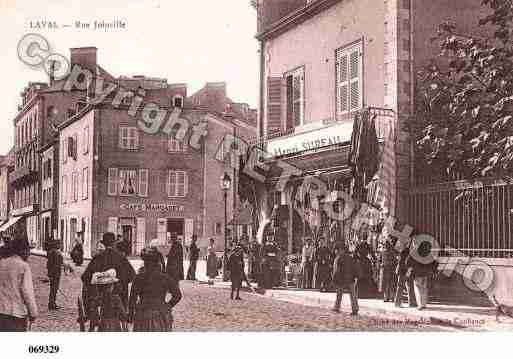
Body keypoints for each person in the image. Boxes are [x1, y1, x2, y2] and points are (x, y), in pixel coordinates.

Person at [129, 247, 182, 331]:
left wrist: (131, 315)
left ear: (145, 263)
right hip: (160, 313)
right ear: (158, 263)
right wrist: (168, 306)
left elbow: (132, 299)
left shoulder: (138, 278)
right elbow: (178, 295)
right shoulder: (165, 278)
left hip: (143, 314)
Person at [82, 233, 136, 311]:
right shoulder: (121, 258)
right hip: (118, 297)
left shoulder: (97, 257)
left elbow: (85, 277)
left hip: (99, 297)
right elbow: (131, 276)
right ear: (114, 243)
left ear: (103, 244)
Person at [0, 237, 38, 331]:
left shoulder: (2, 263)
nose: (29, 253)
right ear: (22, 251)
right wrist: (33, 313)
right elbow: (27, 292)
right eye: (28, 250)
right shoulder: (23, 266)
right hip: (16, 315)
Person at [407, 238, 437, 310]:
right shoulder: (426, 251)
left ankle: (420, 305)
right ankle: (424, 304)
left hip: (417, 274)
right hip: (425, 273)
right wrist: (431, 270)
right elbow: (434, 261)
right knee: (424, 289)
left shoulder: (414, 252)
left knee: (418, 289)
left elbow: (407, 261)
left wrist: (410, 268)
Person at [332, 244, 359, 316]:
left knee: (339, 294)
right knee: (353, 295)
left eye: (337, 250)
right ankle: (355, 309)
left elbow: (337, 271)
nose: (336, 251)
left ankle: (337, 307)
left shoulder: (338, 258)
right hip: (351, 279)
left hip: (342, 279)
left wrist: (335, 279)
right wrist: (355, 277)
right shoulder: (351, 258)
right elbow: (355, 268)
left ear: (340, 250)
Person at [394, 242, 416, 308]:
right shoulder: (406, 251)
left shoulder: (403, 251)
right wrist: (408, 270)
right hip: (404, 271)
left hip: (403, 271)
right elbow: (405, 262)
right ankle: (398, 303)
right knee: (403, 286)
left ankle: (411, 302)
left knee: (409, 286)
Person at [47, 240, 63, 310]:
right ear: (57, 245)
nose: (61, 245)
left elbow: (48, 265)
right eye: (60, 244)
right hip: (56, 274)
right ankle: (52, 304)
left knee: (52, 289)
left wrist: (49, 274)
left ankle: (51, 303)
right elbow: (56, 265)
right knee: (54, 289)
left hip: (53, 274)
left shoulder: (51, 252)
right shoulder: (56, 253)